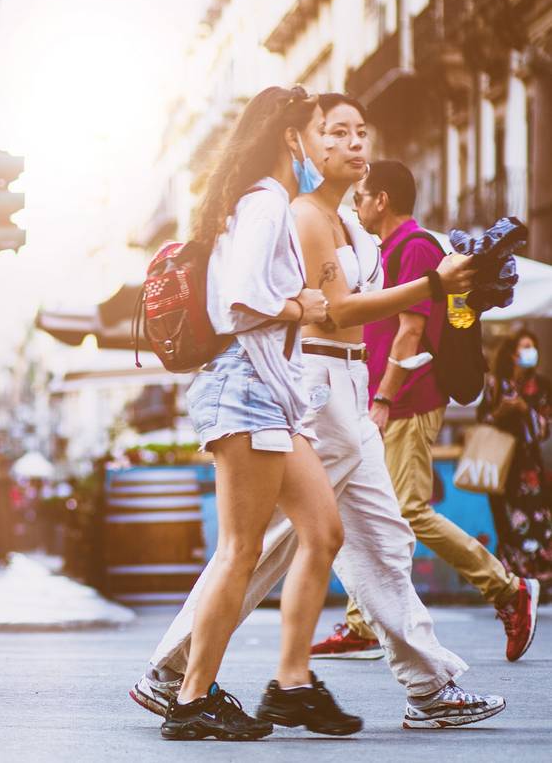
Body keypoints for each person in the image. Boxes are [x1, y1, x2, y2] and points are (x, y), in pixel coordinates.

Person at [133, 94, 505, 731]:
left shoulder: (348, 223)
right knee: (260, 545)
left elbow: (349, 297)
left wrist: (457, 288)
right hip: (305, 381)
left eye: (362, 130)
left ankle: (378, 684)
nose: (355, 143)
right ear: (299, 140)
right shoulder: (284, 208)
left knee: (347, 536)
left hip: (313, 388)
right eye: (334, 131)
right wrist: (307, 305)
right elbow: (299, 304)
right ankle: (184, 682)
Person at [155, 85, 359, 742]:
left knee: (323, 530)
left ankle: (291, 685)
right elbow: (240, 301)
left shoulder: (259, 203)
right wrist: (305, 306)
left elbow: (250, 292)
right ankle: (191, 700)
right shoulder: (267, 203)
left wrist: (298, 302)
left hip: (270, 393)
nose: (326, 146)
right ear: (289, 138)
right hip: (246, 390)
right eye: (320, 132)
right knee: (240, 550)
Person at [342, 160, 538, 663]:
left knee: (407, 510)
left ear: (382, 199)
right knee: (365, 508)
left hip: (409, 399)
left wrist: (384, 399)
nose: (356, 204)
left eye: (361, 196)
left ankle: (507, 589)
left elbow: (411, 330)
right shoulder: (390, 250)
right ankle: (361, 623)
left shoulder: (417, 249)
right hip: (390, 399)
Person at [478, 329, 552, 593]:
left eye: (533, 346)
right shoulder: (496, 384)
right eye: (526, 346)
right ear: (512, 353)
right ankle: (513, 584)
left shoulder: (541, 386)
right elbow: (482, 422)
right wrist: (501, 412)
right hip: (501, 467)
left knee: (536, 521)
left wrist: (524, 411)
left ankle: (536, 582)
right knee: (506, 523)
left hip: (530, 468)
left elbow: (544, 428)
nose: (531, 351)